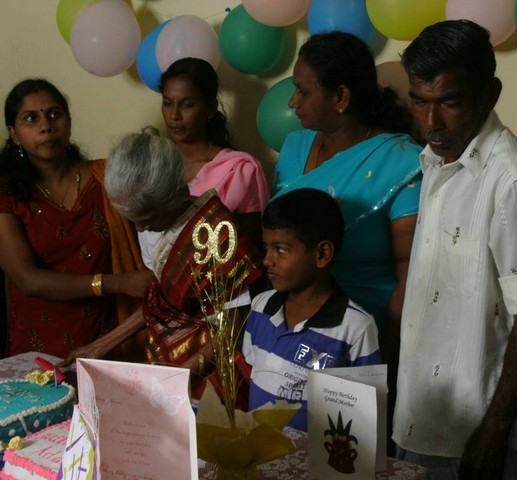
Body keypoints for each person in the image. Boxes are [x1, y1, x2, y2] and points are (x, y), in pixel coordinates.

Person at [392, 20, 517, 480]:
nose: (431, 121)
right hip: (421, 418)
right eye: (419, 101)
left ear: (489, 94)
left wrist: (494, 429)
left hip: (480, 437)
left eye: (449, 102)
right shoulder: (434, 162)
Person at [61, 132, 263, 400]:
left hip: (213, 373)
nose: (140, 229)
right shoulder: (153, 224)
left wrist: (179, 379)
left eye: (146, 218)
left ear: (177, 193)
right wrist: (101, 345)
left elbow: (233, 328)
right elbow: (162, 301)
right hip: (168, 360)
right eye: (131, 219)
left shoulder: (216, 235)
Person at [274, 32, 423, 355]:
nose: (292, 102)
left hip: (366, 336)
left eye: (303, 91)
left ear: (340, 97)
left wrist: (387, 356)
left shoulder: (400, 161)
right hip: (290, 326)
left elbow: (410, 275)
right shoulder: (294, 148)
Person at [0, 79, 152, 359]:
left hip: (110, 338)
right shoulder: (6, 193)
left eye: (54, 114)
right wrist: (116, 283)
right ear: (14, 134)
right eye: (31, 118)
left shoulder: (107, 177)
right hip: (39, 346)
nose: (46, 126)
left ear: (69, 123)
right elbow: (27, 280)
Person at [243, 188, 381, 431]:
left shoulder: (355, 329)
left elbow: (361, 425)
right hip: (256, 449)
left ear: (322, 254)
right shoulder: (261, 307)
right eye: (266, 248)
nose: (267, 260)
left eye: (280, 249)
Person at [139, 57, 270, 269]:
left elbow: (253, 250)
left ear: (210, 108)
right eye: (168, 103)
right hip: (157, 286)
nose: (174, 115)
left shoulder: (239, 170)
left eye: (187, 105)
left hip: (220, 285)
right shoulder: (150, 166)